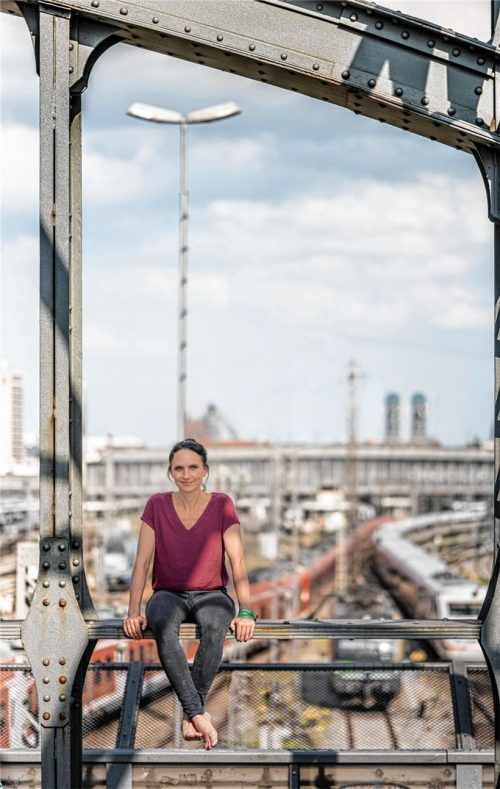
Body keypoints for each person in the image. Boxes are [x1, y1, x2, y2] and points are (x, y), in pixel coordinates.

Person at [123, 438, 256, 750]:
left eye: (193, 467)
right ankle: (197, 714)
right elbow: (141, 562)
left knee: (214, 627)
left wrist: (246, 611)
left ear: (205, 470)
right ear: (170, 472)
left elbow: (237, 561)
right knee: (163, 628)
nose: (186, 474)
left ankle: (190, 715)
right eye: (178, 468)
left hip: (213, 593)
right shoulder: (156, 505)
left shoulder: (222, 504)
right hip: (167, 594)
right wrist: (133, 611)